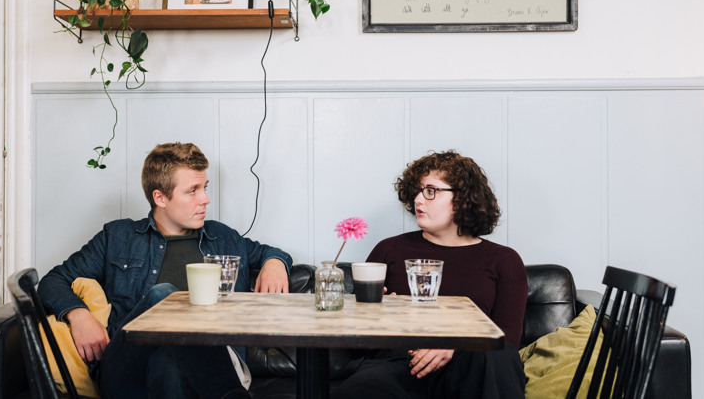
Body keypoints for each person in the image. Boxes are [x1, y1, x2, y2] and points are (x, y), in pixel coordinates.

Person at [37, 142, 292, 399]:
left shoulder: (223, 238)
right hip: (126, 370)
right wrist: (77, 313)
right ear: (160, 197)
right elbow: (53, 280)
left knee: (167, 359)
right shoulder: (118, 237)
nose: (205, 199)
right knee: (163, 296)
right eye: (192, 191)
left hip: (215, 365)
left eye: (204, 188)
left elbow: (273, 253)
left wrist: (275, 262)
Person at [333, 150, 527, 399]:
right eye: (417, 191)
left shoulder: (504, 260)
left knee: (496, 354)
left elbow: (507, 339)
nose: (418, 200)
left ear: (463, 198)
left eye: (431, 191)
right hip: (399, 365)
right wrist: (374, 314)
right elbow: (355, 337)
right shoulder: (389, 249)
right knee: (358, 391)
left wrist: (455, 346)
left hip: (471, 365)